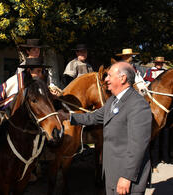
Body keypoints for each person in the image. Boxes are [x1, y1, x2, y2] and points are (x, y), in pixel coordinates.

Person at [60, 62, 152, 195]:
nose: (106, 79)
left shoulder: (138, 105)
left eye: (109, 75)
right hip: (112, 173)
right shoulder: (112, 101)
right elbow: (93, 117)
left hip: (128, 178)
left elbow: (138, 146)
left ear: (122, 78)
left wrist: (127, 177)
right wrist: (68, 116)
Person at [144, 56, 169, 172]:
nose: (159, 64)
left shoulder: (165, 72)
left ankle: (163, 156)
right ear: (155, 63)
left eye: (161, 63)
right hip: (151, 94)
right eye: (157, 63)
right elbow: (145, 81)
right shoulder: (150, 71)